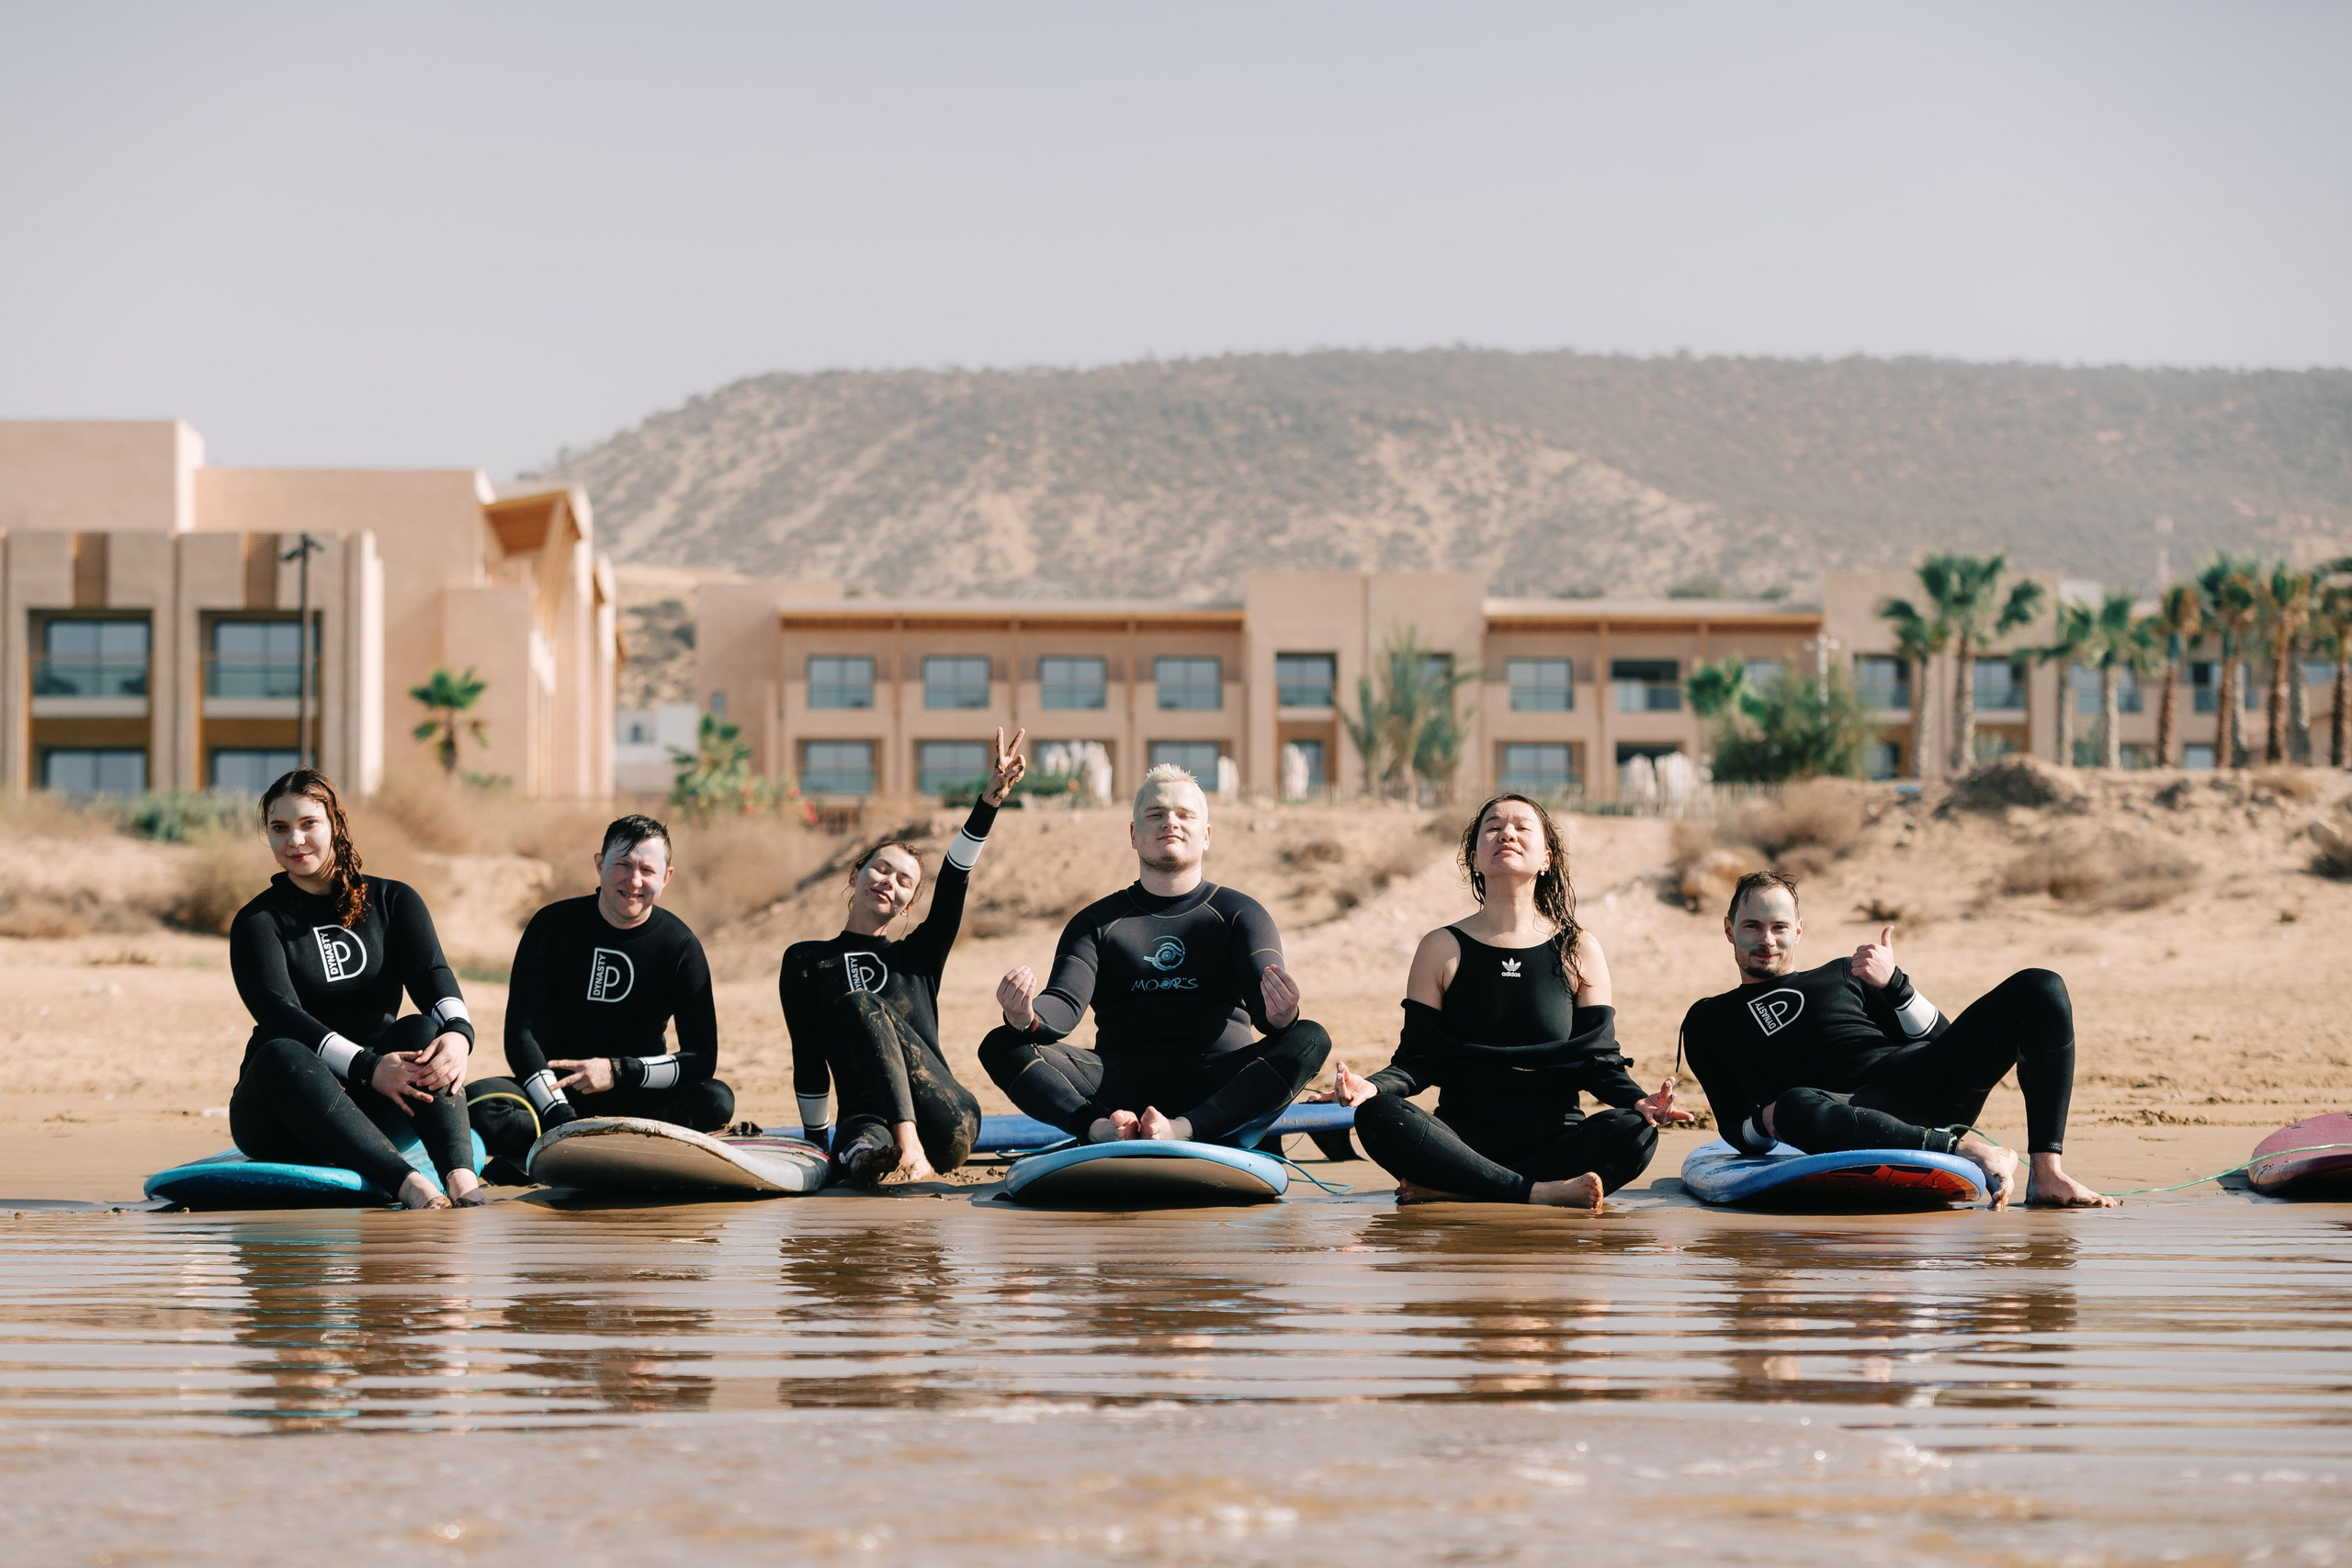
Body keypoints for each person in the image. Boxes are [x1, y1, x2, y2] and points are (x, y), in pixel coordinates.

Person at [1315, 793, 1687, 1210]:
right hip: (1460, 1140)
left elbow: (1597, 1060)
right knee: (1377, 1114)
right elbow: (1419, 1060)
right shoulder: (1442, 947)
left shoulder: (1577, 948)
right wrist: (1372, 1087)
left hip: (1556, 1138)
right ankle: (1537, 1192)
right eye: (1492, 827)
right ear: (1475, 858)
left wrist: (1638, 1101)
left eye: (1522, 827)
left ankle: (1462, 1188)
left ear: (1546, 858)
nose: (1506, 834)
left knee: (1637, 1131)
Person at [1679, 870, 2117, 1210]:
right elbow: (1736, 1132)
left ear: (1798, 930)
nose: (1766, 941)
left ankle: (2048, 1175)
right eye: (1752, 926)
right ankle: (1966, 1150)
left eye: (1778, 927)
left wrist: (1897, 986)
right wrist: (1767, 1122)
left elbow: (1947, 1043)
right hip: (1836, 1114)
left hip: (1915, 1084)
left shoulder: (1846, 972)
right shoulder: (1707, 1019)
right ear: (1728, 928)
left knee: (2041, 986)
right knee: (1794, 1104)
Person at [980, 761, 1330, 1146]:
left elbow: (1272, 1020)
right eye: (1156, 814)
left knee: (1310, 1037)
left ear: (1206, 835)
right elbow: (1062, 1006)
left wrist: (1285, 1014)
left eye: (1184, 814)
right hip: (1116, 1085)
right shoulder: (1096, 922)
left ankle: (1184, 1130)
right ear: (1133, 834)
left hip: (1220, 1085)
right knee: (1001, 1043)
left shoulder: (1241, 914)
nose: (1170, 822)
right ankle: (1098, 1129)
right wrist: (1023, 1015)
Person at [228, 768, 483, 1209]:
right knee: (281, 1049)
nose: (295, 840)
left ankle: (463, 1184)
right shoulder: (257, 923)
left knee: (426, 1031)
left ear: (336, 825)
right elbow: (282, 1015)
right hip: (283, 1112)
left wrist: (460, 1034)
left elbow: (434, 977)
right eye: (279, 828)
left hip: (383, 1106)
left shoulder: (393, 900)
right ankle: (410, 1186)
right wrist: (369, 1068)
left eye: (309, 824)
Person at [781, 728, 1026, 1185]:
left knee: (859, 1002)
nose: (887, 882)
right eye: (880, 868)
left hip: (944, 1114)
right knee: (857, 1148)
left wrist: (988, 802)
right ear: (856, 875)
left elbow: (954, 878)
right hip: (866, 1116)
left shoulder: (919, 956)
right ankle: (870, 1161)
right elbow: (808, 1059)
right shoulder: (805, 962)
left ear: (908, 905)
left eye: (903, 881)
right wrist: (817, 1147)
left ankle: (910, 1153)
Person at [481, 814, 731, 1145]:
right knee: (482, 1102)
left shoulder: (680, 946)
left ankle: (594, 1146)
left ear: (667, 877)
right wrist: (559, 1112)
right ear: (600, 864)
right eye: (623, 865)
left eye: (648, 870)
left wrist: (618, 1072)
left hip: (639, 1096)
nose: (634, 881)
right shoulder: (551, 925)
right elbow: (520, 1034)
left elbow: (701, 1058)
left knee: (716, 1099)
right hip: (557, 1094)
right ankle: (586, 1142)